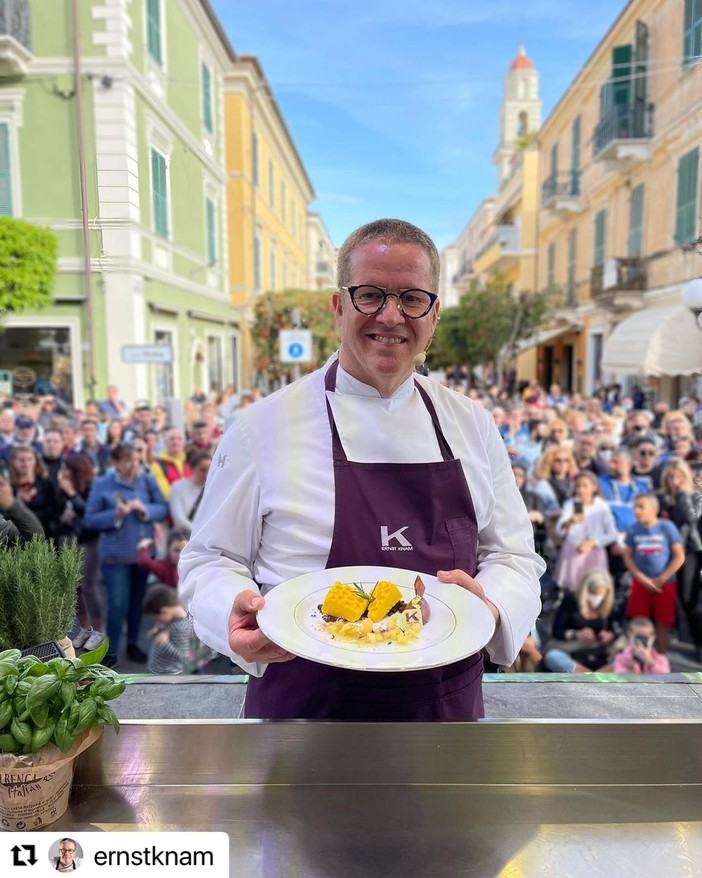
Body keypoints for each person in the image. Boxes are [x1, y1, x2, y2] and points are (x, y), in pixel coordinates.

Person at [179, 217, 545, 720]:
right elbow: (209, 558)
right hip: (302, 716)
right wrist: (231, 608)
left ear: (433, 314)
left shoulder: (473, 424)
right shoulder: (261, 428)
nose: (391, 316)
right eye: (370, 294)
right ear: (338, 306)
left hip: (444, 716)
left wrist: (494, 606)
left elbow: (513, 556)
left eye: (412, 298)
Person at [84, 443, 169, 667]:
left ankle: (132, 643)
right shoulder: (103, 483)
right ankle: (109, 651)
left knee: (136, 602)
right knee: (117, 603)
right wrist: (116, 514)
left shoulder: (147, 481)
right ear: (116, 463)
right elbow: (90, 519)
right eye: (127, 461)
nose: (133, 465)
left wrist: (145, 509)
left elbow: (163, 508)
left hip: (142, 553)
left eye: (136, 460)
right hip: (115, 554)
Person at [623, 493, 685, 654]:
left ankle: (660, 659)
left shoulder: (667, 527)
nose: (636, 511)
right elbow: (627, 556)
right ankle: (637, 658)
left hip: (665, 584)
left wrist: (662, 578)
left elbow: (679, 556)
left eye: (641, 507)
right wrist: (641, 578)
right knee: (638, 621)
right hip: (640, 583)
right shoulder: (633, 529)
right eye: (635, 507)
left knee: (663, 622)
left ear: (654, 508)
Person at [553, 470, 619, 593]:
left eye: (585, 486)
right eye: (578, 486)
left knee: (593, 587)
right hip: (573, 551)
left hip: (594, 552)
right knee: (572, 590)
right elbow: (559, 530)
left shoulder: (601, 506)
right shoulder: (571, 504)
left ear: (594, 487)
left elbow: (612, 533)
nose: (581, 490)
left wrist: (593, 542)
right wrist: (570, 521)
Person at [542, 568, 617, 673]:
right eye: (594, 593)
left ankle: (591, 676)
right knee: (553, 657)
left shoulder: (608, 607)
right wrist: (576, 634)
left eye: (601, 595)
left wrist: (609, 635)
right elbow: (556, 631)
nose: (597, 598)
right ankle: (588, 676)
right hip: (570, 650)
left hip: (597, 653)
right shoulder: (570, 600)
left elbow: (615, 631)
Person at [143, 585, 193, 675]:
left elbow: (184, 657)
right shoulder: (171, 618)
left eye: (157, 618)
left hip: (168, 675)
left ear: (164, 611)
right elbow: (167, 632)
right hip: (159, 670)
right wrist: (157, 631)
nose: (157, 621)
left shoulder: (180, 627)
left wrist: (165, 644)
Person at [168, 450, 211, 534]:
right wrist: (201, 533)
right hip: (188, 538)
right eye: (202, 470)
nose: (207, 474)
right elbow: (179, 520)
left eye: (209, 470)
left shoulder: (213, 488)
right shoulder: (178, 487)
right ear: (191, 468)